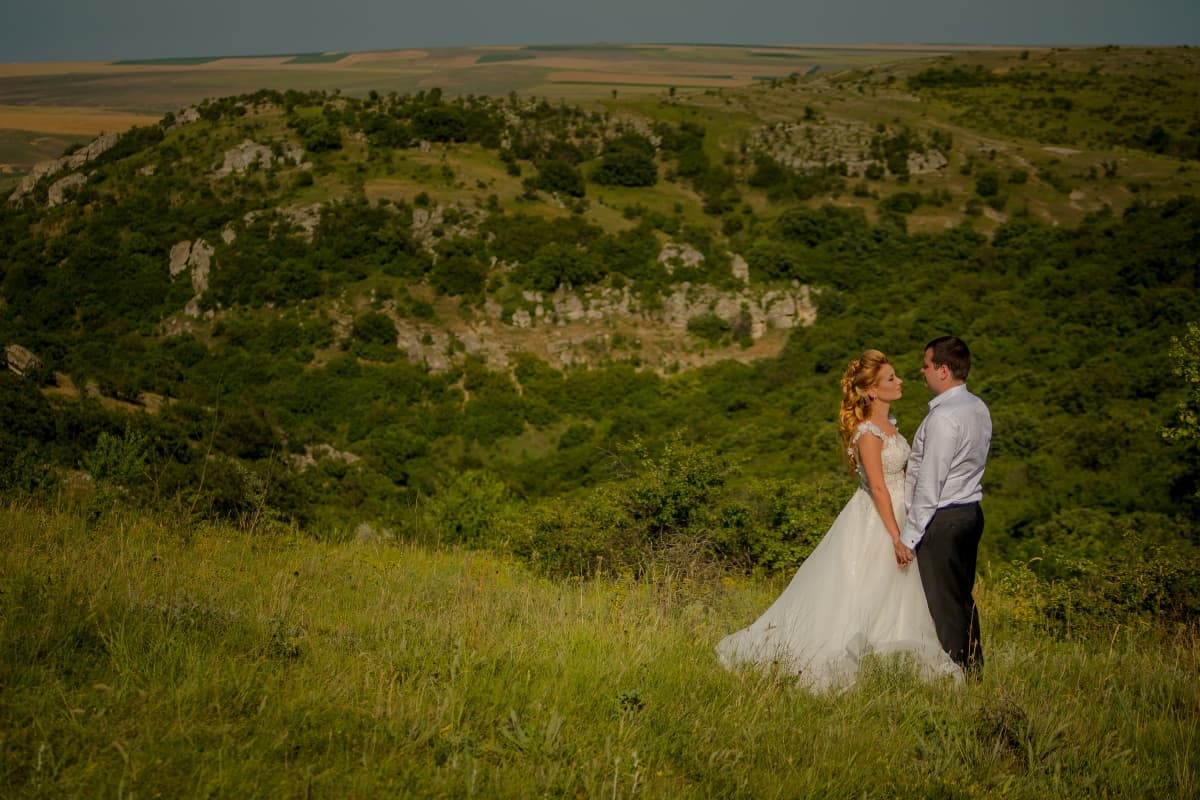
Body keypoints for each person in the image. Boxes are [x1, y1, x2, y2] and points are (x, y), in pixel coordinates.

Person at [717, 350, 960, 691]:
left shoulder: (890, 425)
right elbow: (878, 487)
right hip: (878, 519)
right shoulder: (868, 433)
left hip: (900, 512)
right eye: (891, 378)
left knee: (894, 591)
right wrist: (896, 536)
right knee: (864, 588)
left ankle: (890, 658)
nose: (900, 381)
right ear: (872, 391)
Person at [899, 336, 992, 677]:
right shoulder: (978, 407)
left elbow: (930, 482)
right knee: (961, 597)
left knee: (943, 605)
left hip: (944, 517)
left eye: (926, 365)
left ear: (943, 370)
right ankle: (973, 670)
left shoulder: (943, 418)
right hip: (970, 513)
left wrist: (909, 537)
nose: (921, 371)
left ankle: (958, 676)